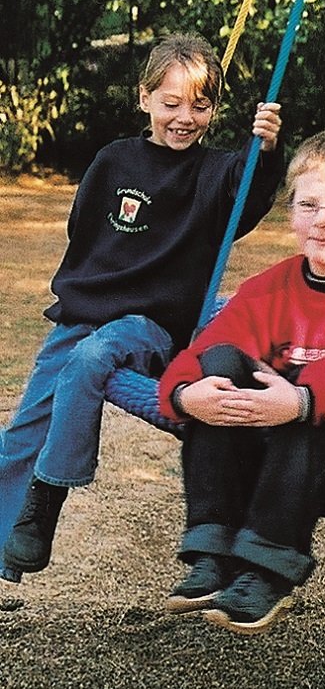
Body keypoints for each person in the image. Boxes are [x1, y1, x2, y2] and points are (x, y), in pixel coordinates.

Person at [0, 34, 283, 586]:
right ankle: (6, 553)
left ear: (215, 110)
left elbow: (248, 201)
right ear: (145, 98)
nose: (184, 118)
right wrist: (91, 292)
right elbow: (81, 229)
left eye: (200, 105)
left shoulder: (220, 171)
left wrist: (266, 152)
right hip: (84, 312)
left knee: (95, 354)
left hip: (150, 324)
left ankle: (48, 497)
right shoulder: (113, 161)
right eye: (171, 102)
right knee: (23, 428)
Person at [158, 129, 325, 635]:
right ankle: (213, 550)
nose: (322, 220)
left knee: (324, 376)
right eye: (309, 204)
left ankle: (267, 568)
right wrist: (184, 394)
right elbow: (195, 357)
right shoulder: (269, 287)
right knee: (220, 364)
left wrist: (301, 400)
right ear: (290, 213)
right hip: (268, 438)